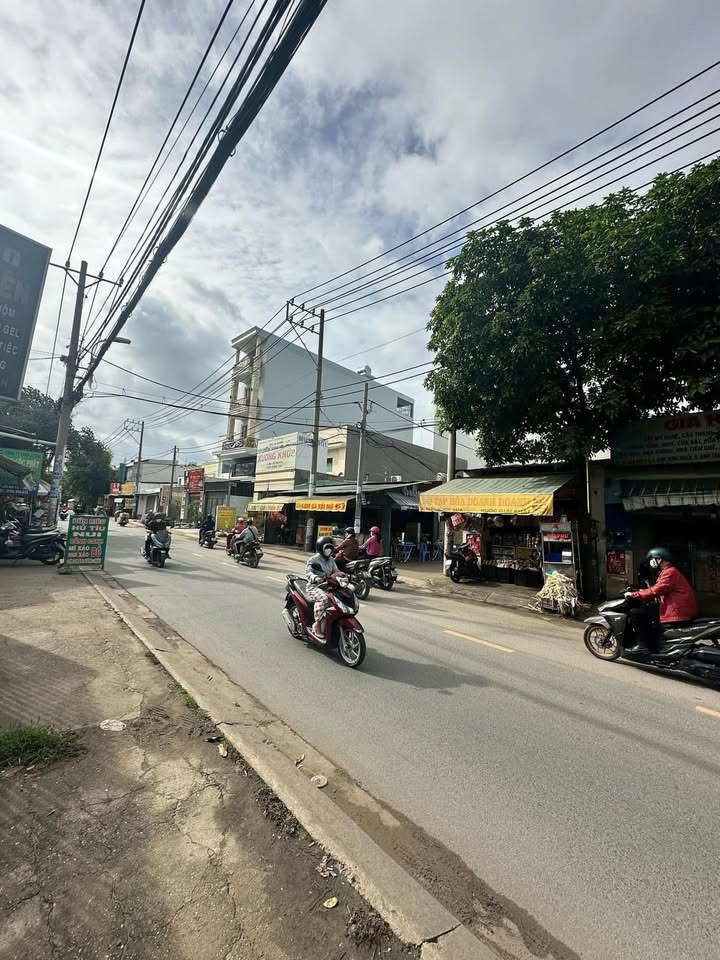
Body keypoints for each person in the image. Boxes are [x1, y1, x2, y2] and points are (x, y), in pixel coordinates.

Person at [627, 548, 698, 653]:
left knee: (636, 613)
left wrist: (635, 594)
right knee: (649, 610)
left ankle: (643, 646)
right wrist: (643, 591)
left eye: (652, 559)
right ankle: (652, 642)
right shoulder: (669, 571)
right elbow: (661, 588)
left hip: (677, 611)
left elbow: (657, 590)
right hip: (675, 607)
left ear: (659, 559)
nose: (651, 562)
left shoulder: (670, 572)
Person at [305, 536, 339, 642]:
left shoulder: (332, 560)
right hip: (314, 587)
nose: (329, 550)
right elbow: (308, 572)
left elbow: (336, 571)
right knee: (324, 599)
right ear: (321, 548)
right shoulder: (314, 559)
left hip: (328, 586)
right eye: (326, 547)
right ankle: (317, 625)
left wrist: (344, 576)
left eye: (330, 547)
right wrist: (315, 578)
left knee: (339, 601)